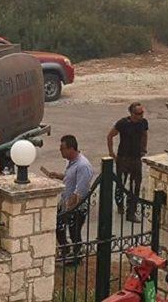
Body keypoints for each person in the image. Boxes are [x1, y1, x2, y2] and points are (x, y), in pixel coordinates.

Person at [40, 135, 95, 265]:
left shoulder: (83, 166)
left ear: (71, 148)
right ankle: (65, 251)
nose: (60, 151)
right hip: (65, 202)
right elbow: (71, 178)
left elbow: (79, 191)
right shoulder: (71, 162)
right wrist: (59, 176)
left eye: (62, 149)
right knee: (59, 227)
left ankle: (76, 256)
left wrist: (69, 209)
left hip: (76, 207)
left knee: (74, 231)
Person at [108, 101, 148, 222]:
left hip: (136, 158)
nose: (141, 115)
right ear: (132, 113)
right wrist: (111, 153)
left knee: (136, 185)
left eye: (142, 113)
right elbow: (110, 136)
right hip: (123, 158)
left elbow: (145, 135)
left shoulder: (143, 123)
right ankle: (120, 204)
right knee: (121, 184)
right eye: (138, 113)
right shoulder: (123, 123)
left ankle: (131, 211)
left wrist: (143, 149)